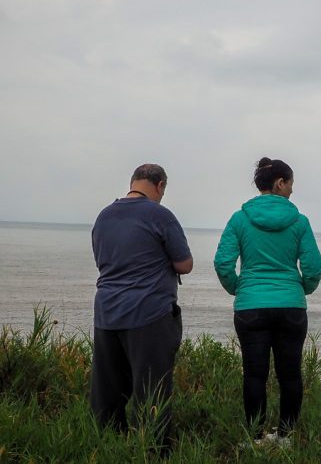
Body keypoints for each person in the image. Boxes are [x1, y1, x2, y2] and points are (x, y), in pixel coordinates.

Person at [215, 157, 321, 447]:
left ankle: (254, 439)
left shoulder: (239, 219)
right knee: (290, 374)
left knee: (254, 374)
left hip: (251, 305)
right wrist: (301, 290)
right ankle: (285, 437)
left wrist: (240, 288)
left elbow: (223, 262)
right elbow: (312, 267)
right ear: (279, 183)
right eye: (290, 184)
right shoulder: (300, 222)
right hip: (291, 306)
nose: (292, 191)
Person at [90, 163, 193, 453]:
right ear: (160, 185)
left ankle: (108, 447)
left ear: (133, 182)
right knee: (152, 390)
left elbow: (102, 260)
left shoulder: (104, 216)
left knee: (107, 390)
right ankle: (153, 452)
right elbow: (184, 264)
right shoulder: (160, 215)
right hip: (149, 314)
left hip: (107, 313)